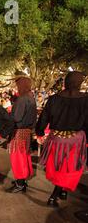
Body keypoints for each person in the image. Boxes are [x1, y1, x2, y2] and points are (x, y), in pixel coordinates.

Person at [36, 71, 87, 207]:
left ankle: (62, 191)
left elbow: (44, 117)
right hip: (75, 140)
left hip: (57, 139)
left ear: (65, 82)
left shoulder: (54, 99)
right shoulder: (86, 99)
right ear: (80, 83)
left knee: (59, 167)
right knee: (68, 168)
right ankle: (54, 196)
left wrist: (39, 132)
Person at [7, 74, 37, 193]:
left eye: (18, 85)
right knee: (23, 157)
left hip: (19, 132)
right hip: (27, 132)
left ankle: (20, 184)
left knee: (17, 158)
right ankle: (22, 181)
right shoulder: (31, 97)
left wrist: (8, 115)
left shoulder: (22, 98)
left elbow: (17, 117)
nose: (17, 87)